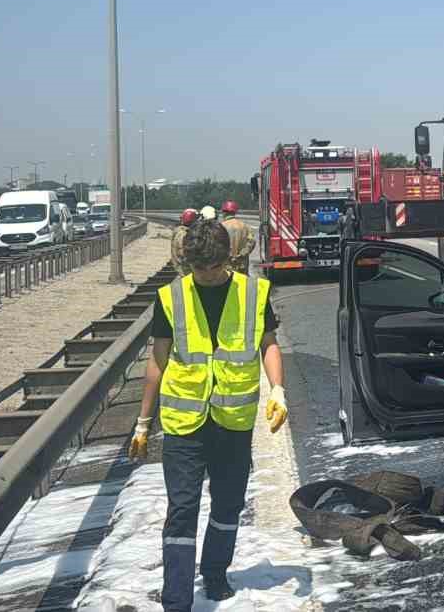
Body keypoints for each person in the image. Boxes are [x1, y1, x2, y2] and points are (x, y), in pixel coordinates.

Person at [128, 220, 289, 611]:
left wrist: (279, 389)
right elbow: (157, 359)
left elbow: (268, 343)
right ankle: (176, 599)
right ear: (188, 262)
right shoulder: (171, 297)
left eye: (213, 268)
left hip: (233, 421)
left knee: (228, 504)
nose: (206, 276)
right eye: (199, 269)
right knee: (182, 510)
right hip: (184, 424)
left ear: (227, 260)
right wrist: (143, 423)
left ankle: (215, 574)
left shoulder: (254, 293)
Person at [220, 200, 253, 273]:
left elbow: (218, 245)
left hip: (226, 266)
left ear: (224, 212)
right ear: (235, 212)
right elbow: (251, 243)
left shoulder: (220, 227)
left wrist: (230, 257)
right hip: (241, 265)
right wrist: (241, 255)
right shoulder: (245, 226)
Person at [170, 208, 200, 275]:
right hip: (185, 270)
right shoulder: (184, 234)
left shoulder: (179, 231)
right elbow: (183, 253)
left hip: (182, 269)